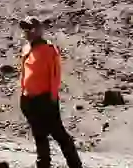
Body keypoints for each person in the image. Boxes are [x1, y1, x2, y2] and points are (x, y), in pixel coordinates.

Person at [19, 17, 83, 168]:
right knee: (38, 134)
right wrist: (23, 94)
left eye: (30, 28)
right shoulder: (26, 48)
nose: (27, 32)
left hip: (45, 99)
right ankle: (43, 164)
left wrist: (52, 98)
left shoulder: (49, 50)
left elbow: (55, 75)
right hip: (29, 99)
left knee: (58, 134)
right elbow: (23, 73)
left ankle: (75, 165)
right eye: (25, 29)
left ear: (38, 30)